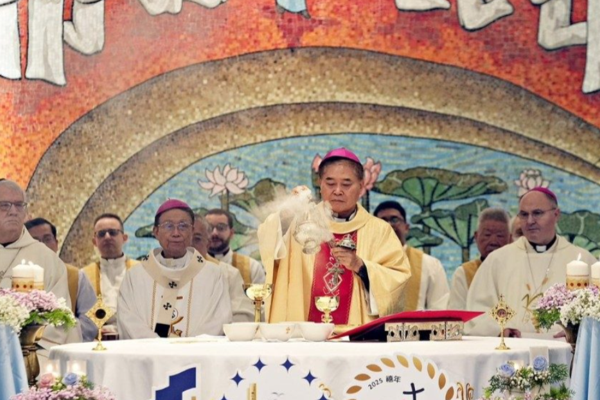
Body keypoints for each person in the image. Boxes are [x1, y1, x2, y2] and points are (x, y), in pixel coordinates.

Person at [258, 148, 411, 325]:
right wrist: (287, 211)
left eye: (346, 184)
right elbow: (269, 245)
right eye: (330, 183)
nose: (338, 191)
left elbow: (398, 279)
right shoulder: (299, 223)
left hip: (357, 334)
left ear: (361, 187)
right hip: (303, 333)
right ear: (320, 184)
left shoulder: (379, 231)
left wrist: (360, 266)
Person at [465, 187, 597, 337]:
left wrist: (576, 331)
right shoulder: (498, 260)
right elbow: (478, 311)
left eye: (537, 213)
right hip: (513, 347)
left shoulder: (582, 259)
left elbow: (595, 310)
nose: (530, 221)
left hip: (566, 347)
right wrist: (499, 330)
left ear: (556, 214)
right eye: (524, 214)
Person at [117, 199, 231, 338]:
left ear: (192, 231)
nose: (176, 233)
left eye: (183, 226)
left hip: (196, 351)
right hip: (148, 351)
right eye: (168, 226)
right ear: (156, 232)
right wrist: (156, 346)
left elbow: (219, 319)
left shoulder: (213, 275)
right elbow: (127, 319)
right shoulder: (135, 276)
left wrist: (188, 347)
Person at [0, 179, 76, 347]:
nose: (13, 212)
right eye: (4, 205)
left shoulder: (47, 259)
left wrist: (21, 345)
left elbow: (58, 319)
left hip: (31, 352)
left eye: (19, 205)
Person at [25, 217, 98, 342]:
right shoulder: (17, 277)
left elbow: (93, 319)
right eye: (35, 240)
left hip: (68, 348)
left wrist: (54, 334)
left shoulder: (76, 276)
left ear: (56, 243)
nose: (42, 245)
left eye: (47, 239)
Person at [374, 200, 449, 310]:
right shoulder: (362, 264)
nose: (389, 225)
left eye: (394, 220)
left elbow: (439, 308)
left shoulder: (429, 264)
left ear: (406, 228)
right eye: (382, 221)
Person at [82, 213, 138, 336]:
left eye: (113, 232)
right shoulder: (84, 274)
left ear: (124, 238)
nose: (107, 237)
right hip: (97, 338)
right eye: (101, 234)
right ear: (94, 241)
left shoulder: (141, 270)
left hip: (134, 337)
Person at [192, 214, 254, 322]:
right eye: (183, 238)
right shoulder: (163, 273)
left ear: (207, 243)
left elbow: (242, 318)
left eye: (196, 239)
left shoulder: (228, 274)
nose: (189, 244)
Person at [447, 208, 511, 310]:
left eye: (500, 236)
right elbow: (457, 314)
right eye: (487, 235)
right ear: (476, 237)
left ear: (510, 239)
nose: (493, 241)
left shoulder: (518, 271)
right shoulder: (464, 273)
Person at [206, 208, 265, 285]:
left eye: (221, 228)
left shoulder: (252, 267)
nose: (214, 233)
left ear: (231, 233)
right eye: (209, 228)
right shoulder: (194, 265)